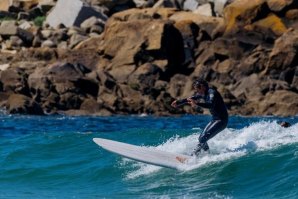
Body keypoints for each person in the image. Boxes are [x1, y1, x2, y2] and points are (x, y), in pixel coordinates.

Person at [171, 78, 229, 156]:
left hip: (222, 121)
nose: (197, 91)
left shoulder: (212, 92)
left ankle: (194, 156)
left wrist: (197, 103)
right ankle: (207, 155)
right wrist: (178, 102)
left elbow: (211, 104)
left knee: (203, 138)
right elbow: (191, 98)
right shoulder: (202, 93)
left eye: (197, 89)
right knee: (201, 138)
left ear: (202, 86)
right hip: (215, 119)